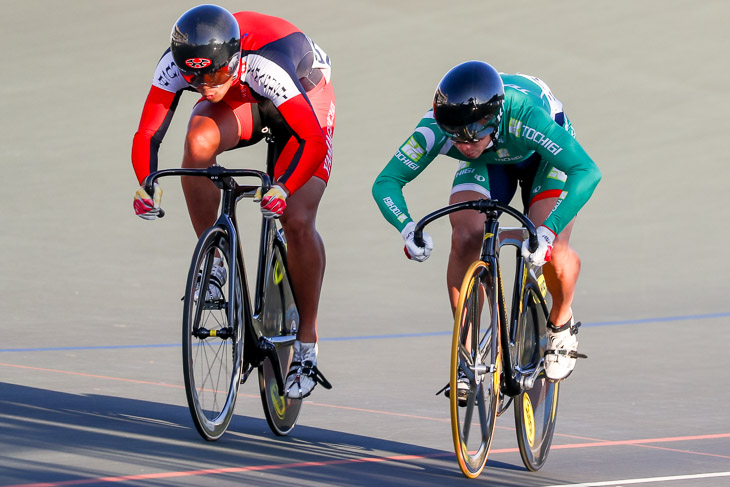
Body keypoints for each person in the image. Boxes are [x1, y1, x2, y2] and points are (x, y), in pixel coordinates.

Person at [131, 4, 336, 399]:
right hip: (243, 96)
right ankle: (216, 263)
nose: (206, 85)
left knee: (296, 218)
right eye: (195, 76)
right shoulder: (182, 65)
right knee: (196, 144)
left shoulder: (264, 64)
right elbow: (147, 133)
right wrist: (146, 183)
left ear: (234, 59)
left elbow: (311, 140)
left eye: (216, 73)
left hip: (302, 92)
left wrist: (285, 188)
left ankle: (307, 346)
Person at [372, 61, 601, 390]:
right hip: (489, 162)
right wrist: (407, 228)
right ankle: (468, 358)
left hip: (541, 158)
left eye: (472, 137)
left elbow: (587, 171)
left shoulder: (526, 116)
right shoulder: (439, 125)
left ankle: (561, 320)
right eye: (456, 139)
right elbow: (387, 182)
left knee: (554, 251)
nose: (464, 146)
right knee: (465, 235)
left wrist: (548, 232)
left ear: (491, 119)